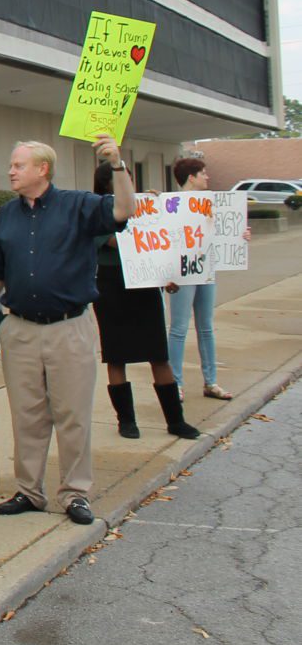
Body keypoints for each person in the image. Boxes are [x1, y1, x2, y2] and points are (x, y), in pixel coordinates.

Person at [0, 135, 133, 526]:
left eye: (19, 165)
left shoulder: (78, 205)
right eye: (11, 164)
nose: (11, 170)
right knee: (27, 415)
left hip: (69, 328)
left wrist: (117, 164)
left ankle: (75, 493)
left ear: (42, 169)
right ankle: (29, 490)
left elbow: (126, 210)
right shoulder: (8, 215)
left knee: (72, 414)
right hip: (20, 329)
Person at [88, 161, 199, 441]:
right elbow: (120, 241)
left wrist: (155, 211)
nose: (129, 182)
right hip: (112, 284)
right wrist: (146, 217)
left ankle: (176, 420)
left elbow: (156, 244)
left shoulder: (143, 206)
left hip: (144, 283)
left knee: (158, 354)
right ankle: (126, 421)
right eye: (122, 177)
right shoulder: (98, 209)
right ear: (107, 183)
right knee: (116, 356)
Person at [167, 156, 233, 400]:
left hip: (206, 269)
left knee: (206, 328)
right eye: (203, 173)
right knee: (179, 328)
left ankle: (211, 381)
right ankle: (174, 382)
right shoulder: (171, 204)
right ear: (191, 177)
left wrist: (239, 235)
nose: (208, 177)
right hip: (182, 272)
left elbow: (225, 233)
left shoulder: (212, 203)